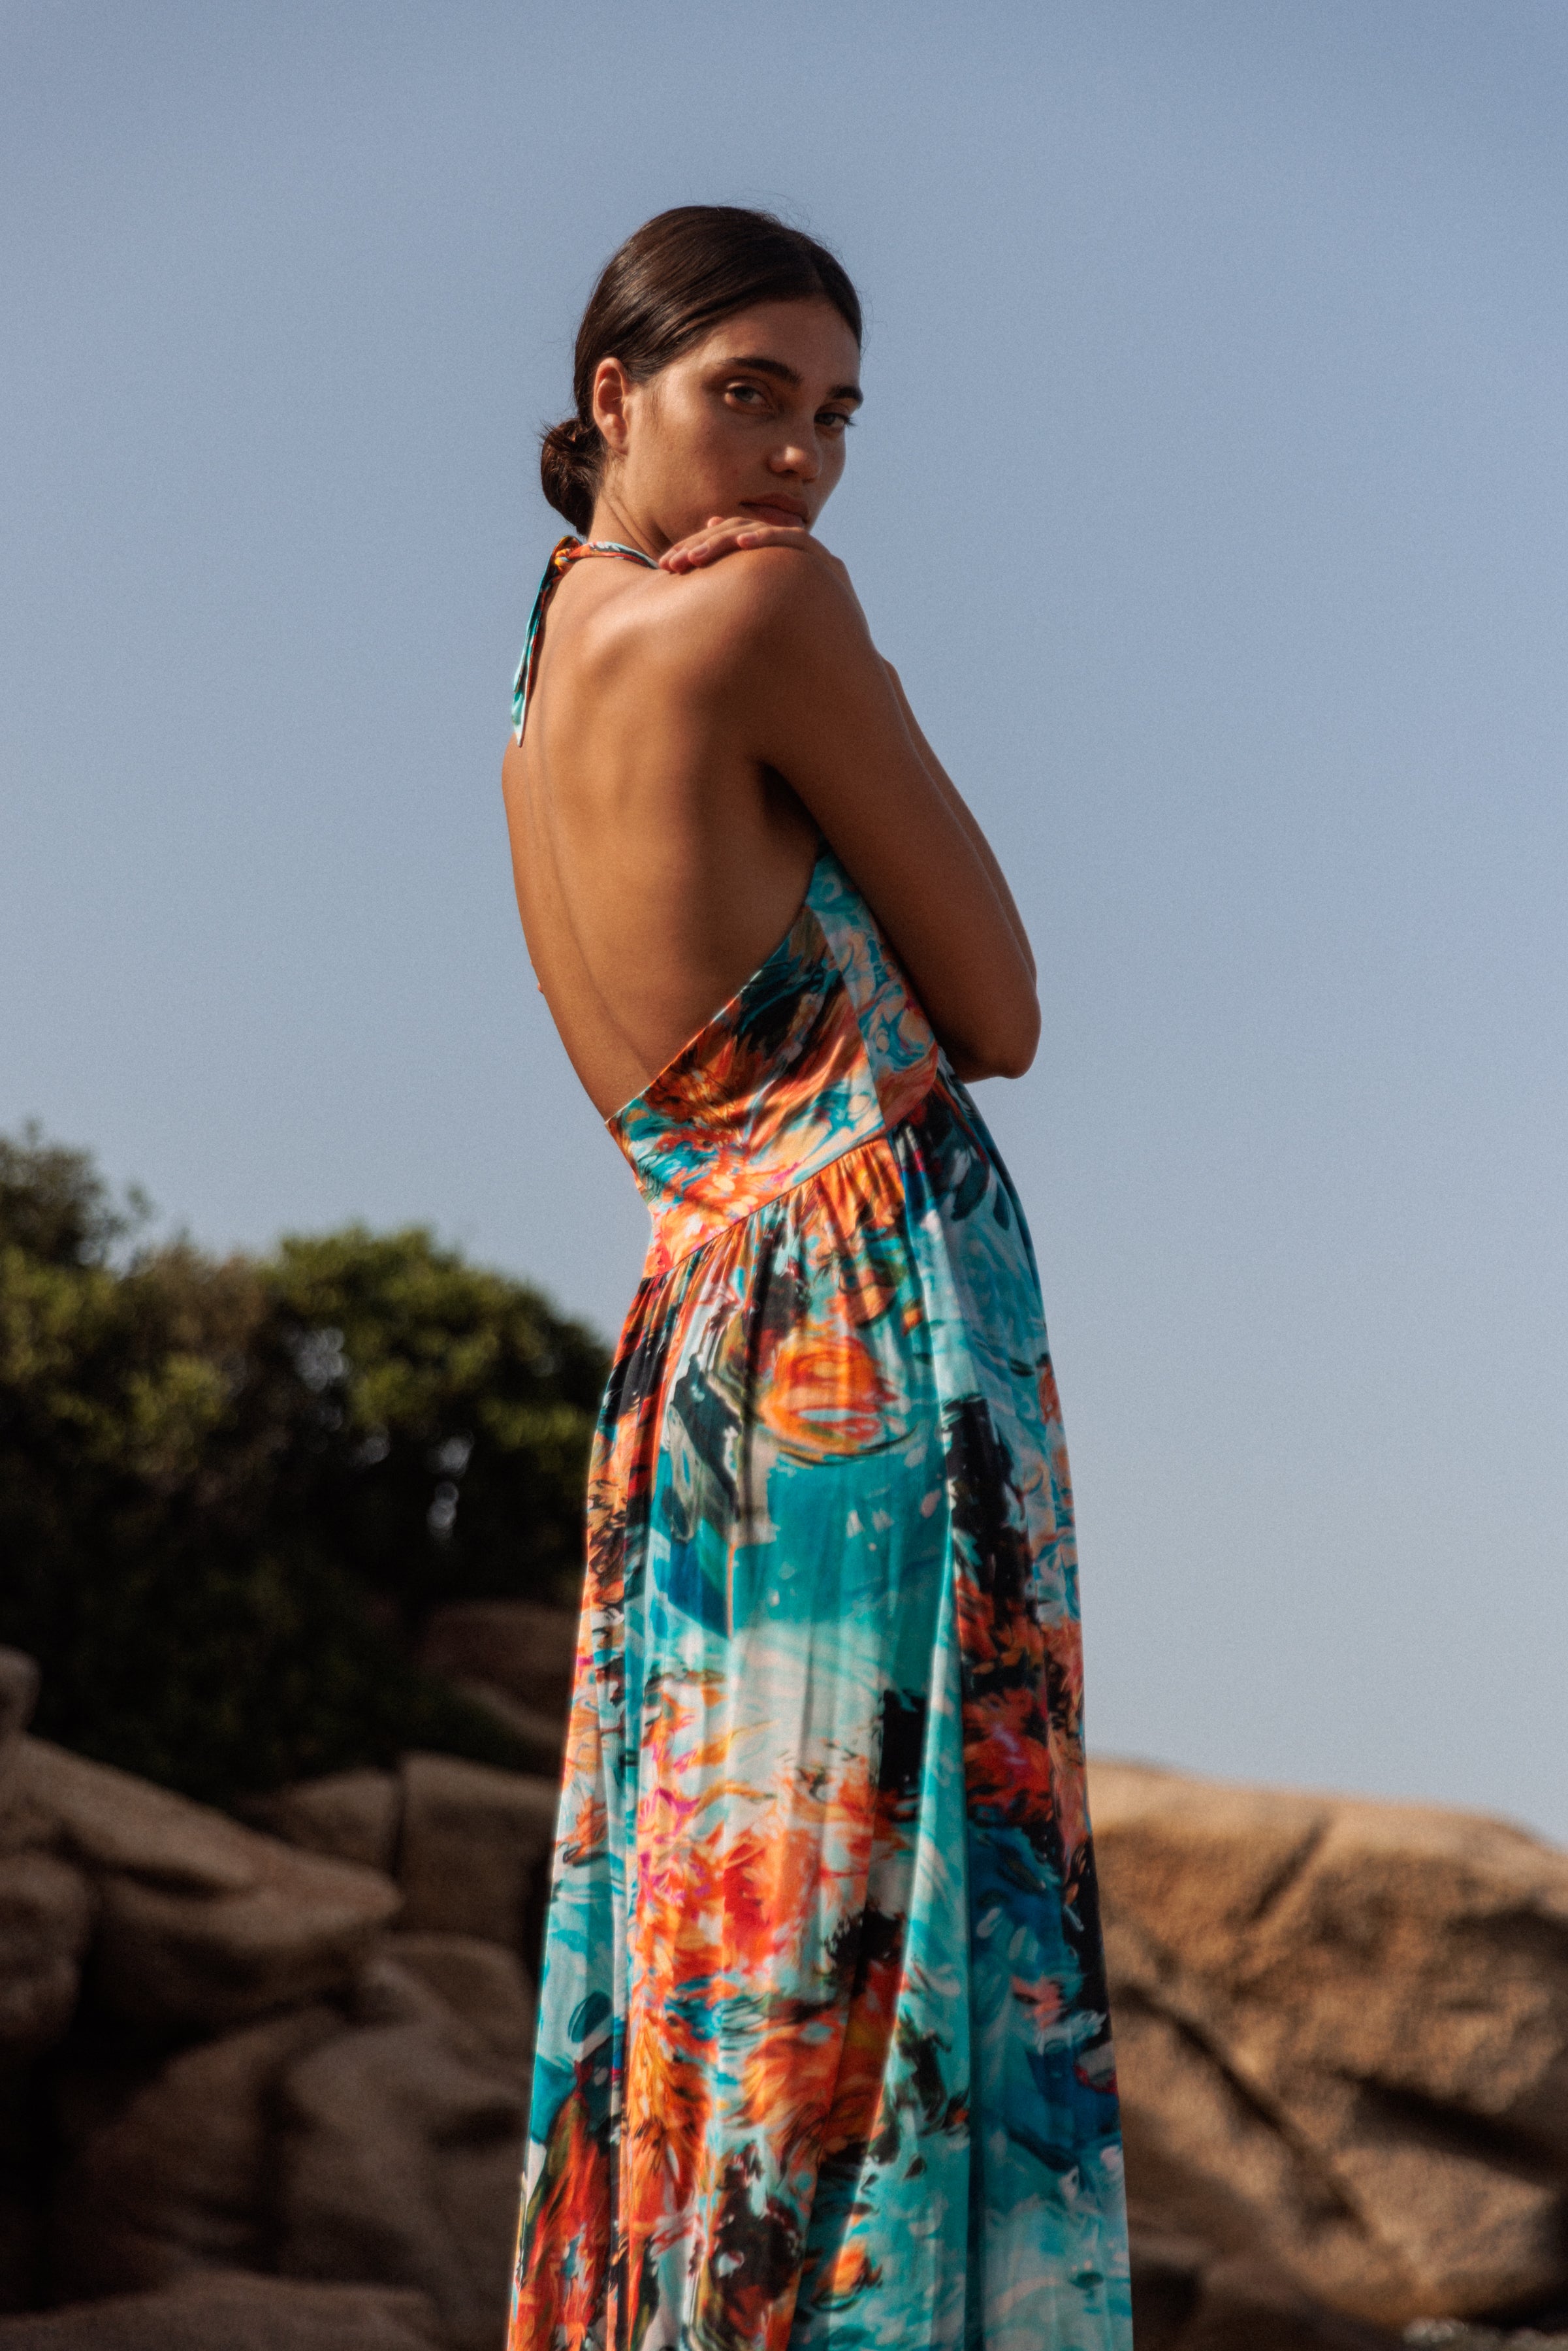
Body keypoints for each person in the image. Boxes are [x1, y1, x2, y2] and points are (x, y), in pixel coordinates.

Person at [501, 205, 1130, 2351]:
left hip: (694, 1319)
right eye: (746, 396)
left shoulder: (527, 712)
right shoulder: (774, 612)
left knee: (720, 1928)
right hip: (859, 1308)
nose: (796, 464)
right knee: (876, 1922)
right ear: (617, 401)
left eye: (834, 418)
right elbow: (1005, 997)